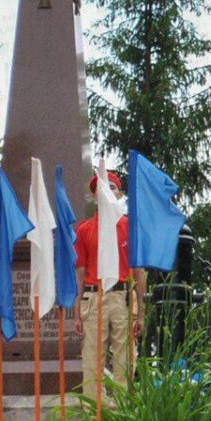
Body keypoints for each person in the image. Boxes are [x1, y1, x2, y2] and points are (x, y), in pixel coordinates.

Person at [73, 170, 146, 400]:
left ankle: (122, 417)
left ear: (119, 193)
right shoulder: (85, 230)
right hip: (95, 297)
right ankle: (97, 418)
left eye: (112, 187)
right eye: (100, 189)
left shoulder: (130, 227)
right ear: (95, 197)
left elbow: (139, 272)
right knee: (93, 361)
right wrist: (77, 311)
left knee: (125, 360)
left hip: (123, 296)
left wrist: (141, 312)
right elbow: (80, 273)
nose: (106, 192)